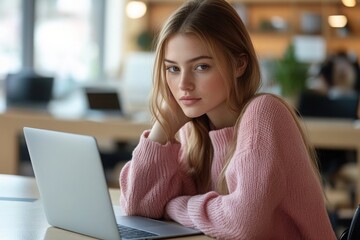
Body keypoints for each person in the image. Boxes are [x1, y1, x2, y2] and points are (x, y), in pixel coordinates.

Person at [119, 0, 336, 239]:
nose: (183, 85)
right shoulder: (191, 128)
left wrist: (174, 205)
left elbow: (241, 223)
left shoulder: (263, 114)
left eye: (201, 67)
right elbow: (137, 207)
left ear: (239, 64)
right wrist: (163, 126)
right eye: (173, 69)